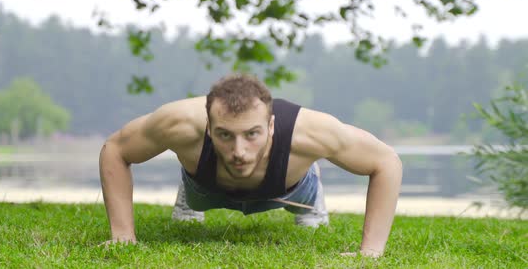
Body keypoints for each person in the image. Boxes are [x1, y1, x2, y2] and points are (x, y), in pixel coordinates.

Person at [99, 73, 402, 258]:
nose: (239, 151)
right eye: (225, 135)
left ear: (271, 126)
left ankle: (313, 184)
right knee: (195, 193)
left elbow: (385, 161)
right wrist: (123, 234)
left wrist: (371, 251)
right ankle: (187, 191)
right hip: (205, 187)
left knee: (305, 195)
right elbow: (115, 149)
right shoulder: (179, 123)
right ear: (208, 127)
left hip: (291, 188)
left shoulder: (310, 131)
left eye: (252, 134)